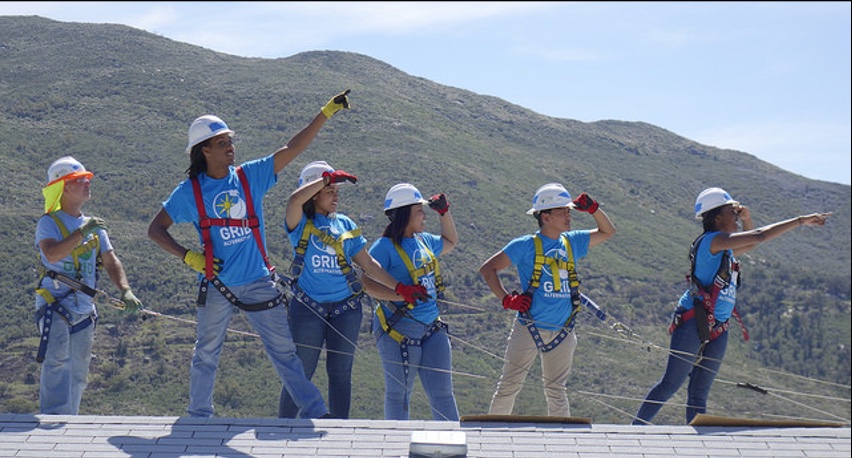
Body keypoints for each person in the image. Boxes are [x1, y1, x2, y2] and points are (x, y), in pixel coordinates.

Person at [147, 90, 351, 418]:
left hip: (258, 281)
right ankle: (199, 416)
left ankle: (315, 412)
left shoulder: (249, 176)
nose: (231, 146)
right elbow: (155, 229)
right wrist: (188, 256)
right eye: (222, 142)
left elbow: (293, 148)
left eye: (230, 140)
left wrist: (326, 112)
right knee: (207, 353)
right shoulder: (190, 192)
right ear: (205, 151)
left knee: (285, 353)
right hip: (217, 284)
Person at [632, 187, 832, 425]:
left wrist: (746, 218)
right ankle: (635, 432)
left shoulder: (724, 248)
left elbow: (751, 243)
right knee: (670, 384)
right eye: (731, 212)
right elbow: (758, 237)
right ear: (717, 217)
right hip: (693, 321)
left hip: (717, 324)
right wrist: (800, 221)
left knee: (699, 392)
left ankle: (696, 444)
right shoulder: (712, 242)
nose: (736, 216)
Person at [278, 161, 410, 419]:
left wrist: (399, 288)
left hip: (346, 309)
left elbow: (368, 265)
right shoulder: (301, 222)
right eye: (330, 191)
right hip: (308, 307)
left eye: (336, 191)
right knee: (301, 372)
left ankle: (340, 429)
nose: (336, 196)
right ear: (314, 193)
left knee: (341, 373)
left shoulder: (346, 225)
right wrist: (326, 178)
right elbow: (294, 201)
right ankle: (284, 425)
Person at [480, 182, 616, 417]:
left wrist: (594, 209)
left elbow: (608, 232)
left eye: (569, 211)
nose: (568, 216)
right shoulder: (525, 245)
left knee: (556, 390)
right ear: (545, 216)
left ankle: (561, 443)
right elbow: (488, 269)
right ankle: (492, 435)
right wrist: (506, 299)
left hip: (563, 329)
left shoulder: (571, 241)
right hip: (529, 326)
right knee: (509, 386)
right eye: (562, 211)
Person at [34, 156, 144, 415]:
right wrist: (83, 232)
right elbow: (52, 255)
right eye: (80, 180)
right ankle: (51, 425)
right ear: (64, 187)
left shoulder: (94, 226)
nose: (87, 184)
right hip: (55, 303)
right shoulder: (49, 223)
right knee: (57, 362)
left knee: (79, 369)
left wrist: (125, 289)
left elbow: (110, 260)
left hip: (83, 308)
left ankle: (68, 421)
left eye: (86, 179)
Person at [361, 183, 460, 421]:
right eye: (419, 210)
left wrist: (444, 213)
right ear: (404, 214)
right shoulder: (384, 247)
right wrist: (400, 294)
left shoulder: (424, 241)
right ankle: (395, 445)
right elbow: (366, 282)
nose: (424, 215)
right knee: (399, 395)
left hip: (431, 327)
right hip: (398, 328)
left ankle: (453, 445)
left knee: (443, 394)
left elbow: (450, 241)